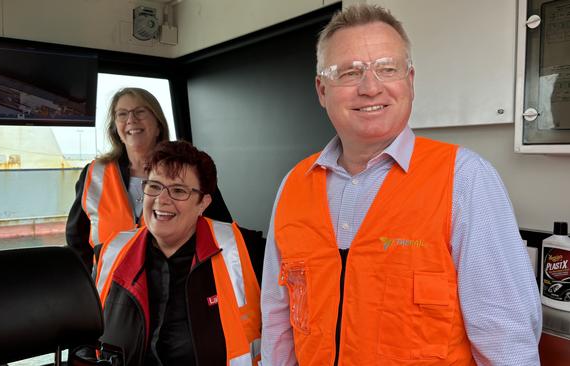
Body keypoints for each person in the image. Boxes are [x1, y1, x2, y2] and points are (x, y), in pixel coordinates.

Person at [260, 4, 542, 365]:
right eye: (349, 72)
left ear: (409, 81)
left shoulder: (465, 180)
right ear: (321, 90)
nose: (370, 87)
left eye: (386, 68)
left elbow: (508, 340)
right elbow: (278, 318)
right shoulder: (294, 185)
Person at [91, 141, 261, 365]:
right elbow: (87, 340)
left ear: (203, 203)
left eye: (178, 190)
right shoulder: (110, 252)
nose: (162, 199)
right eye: (154, 186)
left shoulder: (247, 250)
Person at [66, 88, 232, 272]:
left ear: (158, 123)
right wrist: (90, 280)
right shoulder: (94, 174)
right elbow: (76, 238)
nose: (131, 120)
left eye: (140, 112)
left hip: (175, 289)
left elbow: (222, 232)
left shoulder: (191, 170)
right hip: (109, 293)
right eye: (122, 114)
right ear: (115, 128)